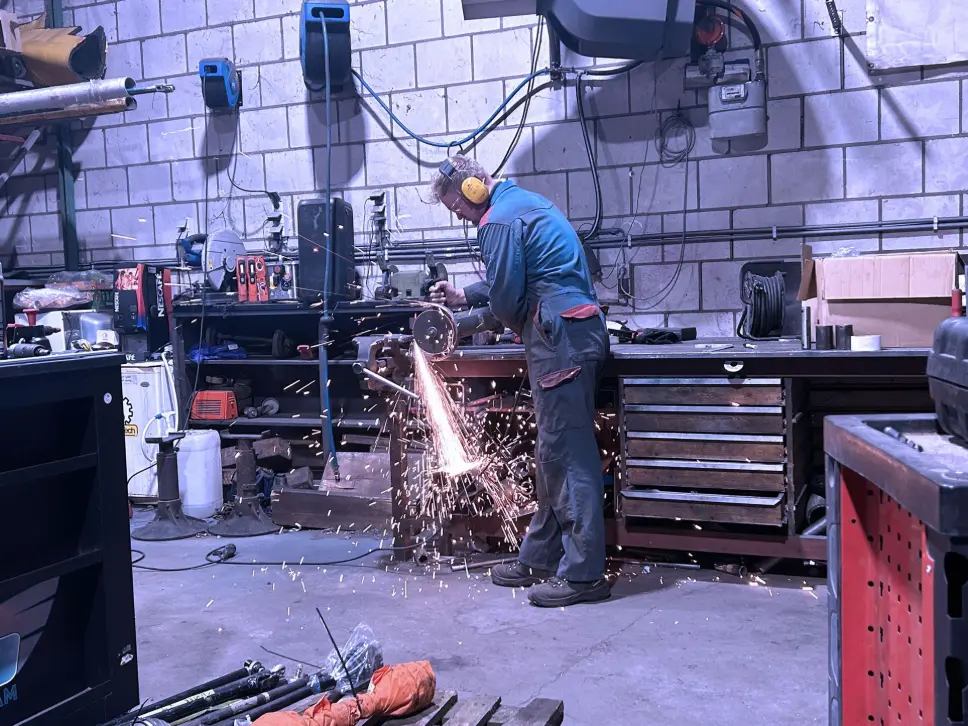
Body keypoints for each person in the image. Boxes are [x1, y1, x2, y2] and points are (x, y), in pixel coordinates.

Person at [428, 155, 610, 607]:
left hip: (558, 339)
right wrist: (464, 295)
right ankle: (542, 557)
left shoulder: (497, 221)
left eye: (457, 207)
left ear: (473, 188)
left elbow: (507, 303)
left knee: (568, 458)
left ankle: (584, 575)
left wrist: (459, 325)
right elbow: (525, 274)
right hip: (572, 332)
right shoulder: (524, 203)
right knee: (553, 454)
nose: (461, 217)